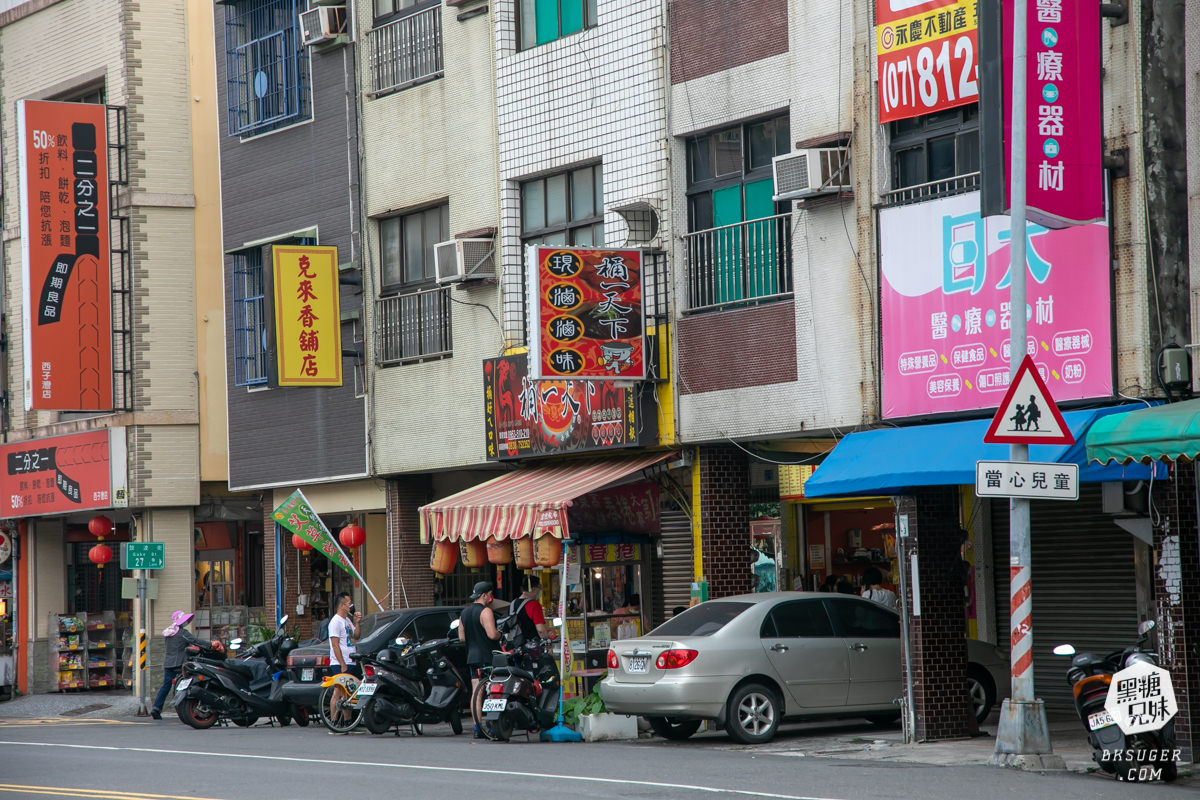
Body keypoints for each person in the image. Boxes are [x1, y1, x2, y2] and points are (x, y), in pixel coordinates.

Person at [152, 610, 217, 720]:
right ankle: (185, 708)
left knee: (165, 686)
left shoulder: (169, 632)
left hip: (168, 664)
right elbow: (195, 641)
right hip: (180, 664)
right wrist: (210, 644)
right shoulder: (182, 633)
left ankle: (156, 708)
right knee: (187, 685)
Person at [459, 581, 500, 739]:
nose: (491, 597)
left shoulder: (464, 613)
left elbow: (462, 637)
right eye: (490, 594)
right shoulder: (486, 611)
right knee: (491, 691)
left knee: (476, 692)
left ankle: (477, 728)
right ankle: (492, 726)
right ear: (484, 595)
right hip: (487, 656)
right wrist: (500, 634)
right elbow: (492, 634)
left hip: (472, 657)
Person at [328, 591, 362, 677]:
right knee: (342, 684)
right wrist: (342, 664)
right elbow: (335, 645)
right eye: (349, 603)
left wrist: (357, 622)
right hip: (340, 664)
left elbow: (356, 636)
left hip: (351, 661)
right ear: (342, 605)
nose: (351, 606)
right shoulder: (335, 621)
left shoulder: (347, 620)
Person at [512, 575, 553, 641]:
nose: (540, 591)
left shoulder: (513, 603)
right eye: (539, 587)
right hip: (531, 643)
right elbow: (540, 630)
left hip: (516, 643)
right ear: (533, 589)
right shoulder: (534, 604)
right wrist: (547, 640)